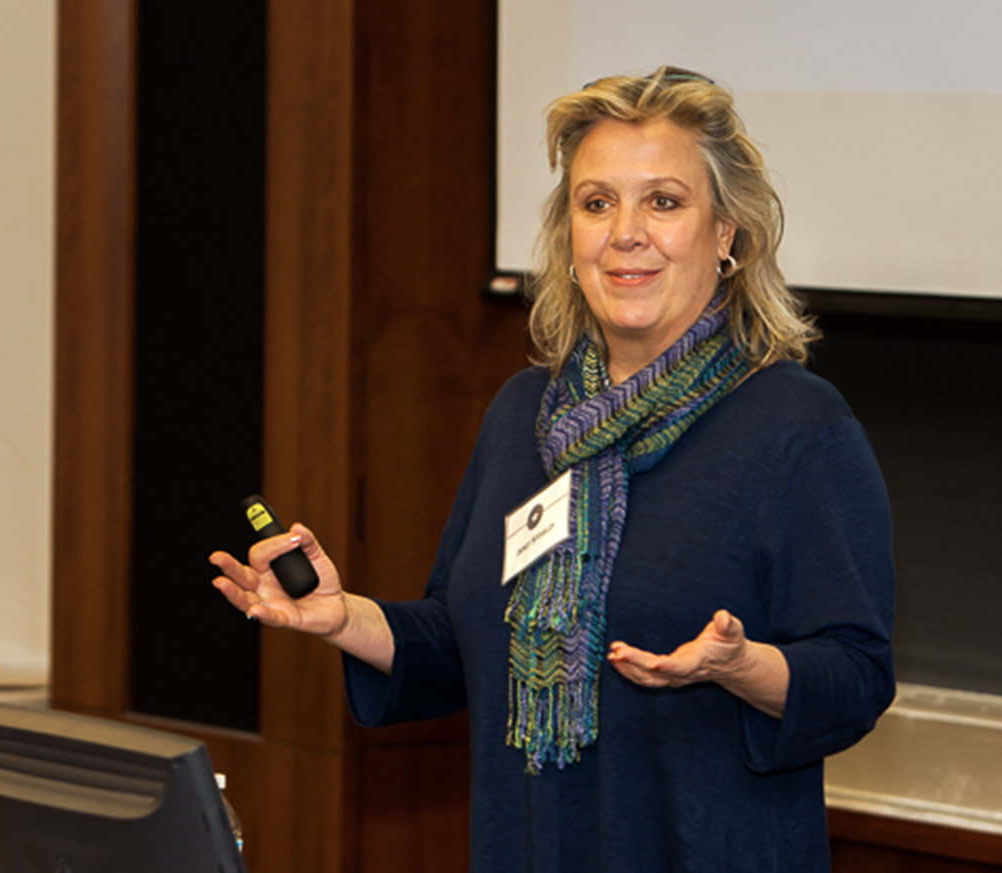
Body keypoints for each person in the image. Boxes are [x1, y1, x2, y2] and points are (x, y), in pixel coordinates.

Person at [210, 66, 895, 872]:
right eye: (596, 202)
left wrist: (742, 666)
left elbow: (855, 676)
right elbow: (463, 639)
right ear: (569, 236)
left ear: (726, 232)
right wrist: (344, 616)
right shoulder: (525, 415)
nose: (625, 231)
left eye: (664, 202)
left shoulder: (797, 425)